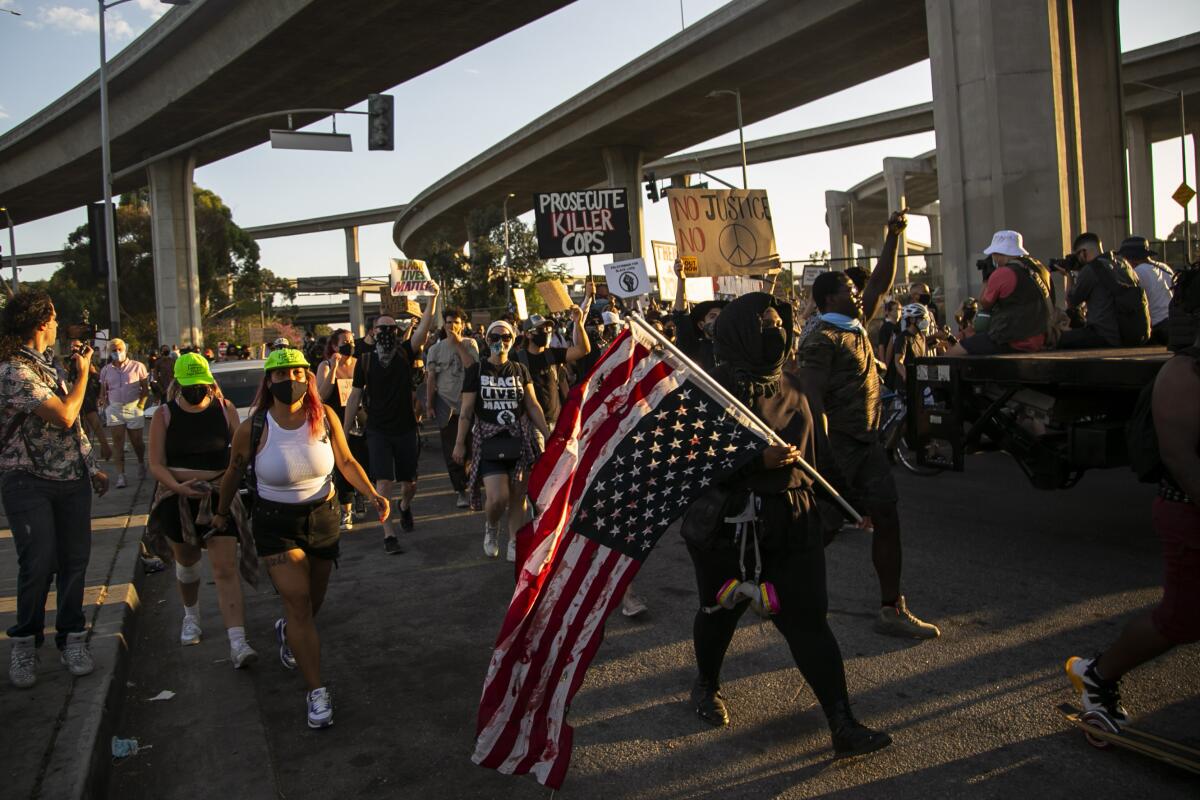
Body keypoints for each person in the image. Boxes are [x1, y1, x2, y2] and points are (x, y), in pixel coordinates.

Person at [686, 291, 891, 758]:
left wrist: (852, 504)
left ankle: (843, 723)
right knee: (718, 614)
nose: (775, 329)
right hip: (726, 530)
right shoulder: (708, 390)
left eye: (780, 321)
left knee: (808, 623)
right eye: (764, 323)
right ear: (738, 330)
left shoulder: (794, 387)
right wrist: (753, 459)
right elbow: (692, 462)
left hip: (792, 524)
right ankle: (706, 685)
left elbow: (821, 454)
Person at [211, 348, 388, 729]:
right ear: (269, 381)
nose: (289, 380)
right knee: (298, 601)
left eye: (296, 372)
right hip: (275, 524)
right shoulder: (253, 427)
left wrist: (373, 494)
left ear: (307, 377)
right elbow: (233, 472)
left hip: (322, 519)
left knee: (312, 602)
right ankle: (316, 690)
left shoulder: (325, 417)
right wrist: (221, 512)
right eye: (280, 374)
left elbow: (346, 462)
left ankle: (288, 631)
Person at [1064, 268, 1200, 726]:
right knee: (1182, 619)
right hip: (1189, 511)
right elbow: (1182, 459)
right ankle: (1098, 676)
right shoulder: (1184, 374)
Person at [799, 209, 940, 639]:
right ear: (826, 301)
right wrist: (820, 457)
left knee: (887, 517)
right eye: (846, 291)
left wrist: (893, 235)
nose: (857, 294)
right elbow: (811, 398)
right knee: (817, 530)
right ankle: (773, 591)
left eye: (855, 291)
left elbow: (879, 280)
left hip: (867, 446)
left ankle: (891, 608)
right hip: (837, 449)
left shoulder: (853, 323)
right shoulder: (821, 337)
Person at [1, 290, 110, 688]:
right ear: (41, 324)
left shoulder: (48, 366)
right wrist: (83, 376)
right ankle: (25, 644)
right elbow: (65, 415)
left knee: (74, 561)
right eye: (54, 318)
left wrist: (91, 467)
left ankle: (72, 638)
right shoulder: (13, 370)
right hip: (27, 480)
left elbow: (75, 428)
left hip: (71, 480)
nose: (59, 325)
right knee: (39, 562)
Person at [145, 353, 258, 666]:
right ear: (178, 384)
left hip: (220, 497)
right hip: (177, 500)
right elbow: (156, 464)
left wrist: (225, 482)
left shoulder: (225, 410)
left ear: (209, 383)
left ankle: (238, 642)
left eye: (201, 385)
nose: (197, 391)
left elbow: (239, 454)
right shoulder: (163, 415)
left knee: (225, 568)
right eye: (190, 385)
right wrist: (179, 486)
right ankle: (190, 615)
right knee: (188, 564)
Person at [343, 286, 438, 554]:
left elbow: (425, 326)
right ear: (373, 333)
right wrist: (345, 428)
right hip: (378, 431)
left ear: (397, 333)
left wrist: (433, 298)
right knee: (383, 482)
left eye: (391, 328)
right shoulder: (364, 362)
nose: (386, 333)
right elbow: (354, 398)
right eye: (381, 329)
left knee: (410, 484)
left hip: (406, 429)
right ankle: (389, 534)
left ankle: (405, 507)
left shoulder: (406, 353)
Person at [453, 321, 550, 562]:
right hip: (488, 441)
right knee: (498, 497)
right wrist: (459, 443)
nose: (501, 341)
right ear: (487, 340)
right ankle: (492, 525)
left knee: (518, 495)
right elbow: (466, 411)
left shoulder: (519, 369)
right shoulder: (476, 371)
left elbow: (532, 404)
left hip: (519, 440)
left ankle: (514, 541)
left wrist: (548, 436)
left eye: (506, 337)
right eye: (495, 336)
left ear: (512, 340)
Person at [949, 230, 1054, 356]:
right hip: (1042, 337)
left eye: (993, 254)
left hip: (1013, 339)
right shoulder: (1041, 269)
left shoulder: (1003, 273)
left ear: (999, 253)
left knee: (954, 352)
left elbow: (984, 305)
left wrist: (987, 279)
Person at [424, 306, 479, 508]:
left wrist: (458, 345)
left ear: (462, 325)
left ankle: (473, 486)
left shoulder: (470, 343)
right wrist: (429, 405)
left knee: (472, 449)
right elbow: (431, 379)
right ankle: (460, 491)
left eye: (456, 322)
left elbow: (471, 366)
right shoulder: (435, 350)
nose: (452, 326)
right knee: (452, 452)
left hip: (469, 405)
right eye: (448, 322)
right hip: (446, 407)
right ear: (443, 325)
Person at [1056, 232, 1145, 349]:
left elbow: (1071, 302)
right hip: (1129, 335)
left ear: (1084, 252)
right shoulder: (1123, 264)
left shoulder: (1091, 269)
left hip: (1104, 336)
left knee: (1059, 339)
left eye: (1077, 255)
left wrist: (1069, 275)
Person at [517, 307, 589, 430]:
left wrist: (579, 323)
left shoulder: (552, 354)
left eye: (548, 328)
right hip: (531, 424)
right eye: (541, 329)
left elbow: (583, 350)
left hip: (556, 422)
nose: (546, 332)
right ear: (528, 334)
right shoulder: (517, 359)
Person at [315, 330, 359, 530]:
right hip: (337, 423)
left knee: (362, 462)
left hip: (361, 422)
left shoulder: (359, 364)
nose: (349, 344)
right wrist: (333, 368)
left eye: (351, 341)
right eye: (344, 342)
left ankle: (360, 497)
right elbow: (321, 395)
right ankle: (346, 510)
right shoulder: (325, 366)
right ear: (334, 346)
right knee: (343, 467)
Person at [98, 337, 150, 488]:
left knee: (137, 442)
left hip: (134, 407)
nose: (117, 352)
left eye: (119, 349)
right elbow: (103, 391)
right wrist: (105, 403)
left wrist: (141, 405)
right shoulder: (106, 370)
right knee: (118, 442)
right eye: (114, 350)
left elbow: (145, 388)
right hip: (115, 408)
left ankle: (141, 463)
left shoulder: (138, 366)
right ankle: (121, 475)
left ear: (125, 350)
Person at [672, 258, 727, 373]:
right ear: (702, 325)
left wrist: (771, 279)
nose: (718, 320)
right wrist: (681, 281)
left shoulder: (736, 347)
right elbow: (681, 317)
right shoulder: (694, 347)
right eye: (712, 316)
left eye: (722, 316)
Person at [1120, 236, 1174, 345]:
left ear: (1129, 258)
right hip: (1172, 324)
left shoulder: (1138, 272)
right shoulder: (1165, 268)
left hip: (1157, 329)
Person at [891, 303, 931, 389]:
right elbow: (898, 361)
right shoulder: (903, 338)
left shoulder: (921, 337)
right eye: (922, 318)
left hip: (919, 384)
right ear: (912, 319)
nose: (925, 321)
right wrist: (905, 375)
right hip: (905, 388)